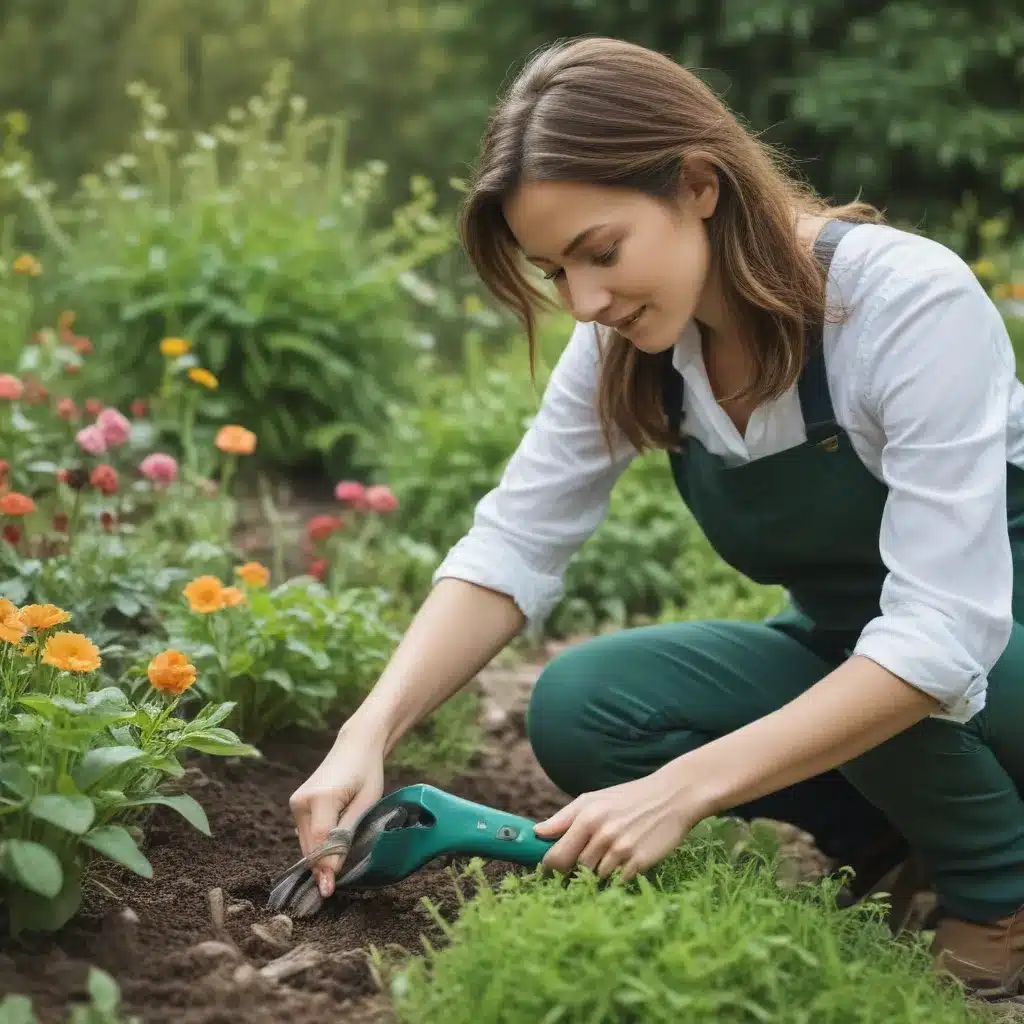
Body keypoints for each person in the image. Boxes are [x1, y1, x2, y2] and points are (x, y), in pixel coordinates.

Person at [290, 36, 1024, 1005]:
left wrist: (687, 787)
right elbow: (514, 543)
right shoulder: (627, 345)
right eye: (556, 271)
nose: (586, 299)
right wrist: (368, 730)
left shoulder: (900, 304)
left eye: (601, 251)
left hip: (992, 641)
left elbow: (940, 634)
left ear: (697, 183)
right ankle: (885, 837)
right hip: (858, 646)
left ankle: (996, 890)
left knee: (882, 668)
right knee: (582, 706)